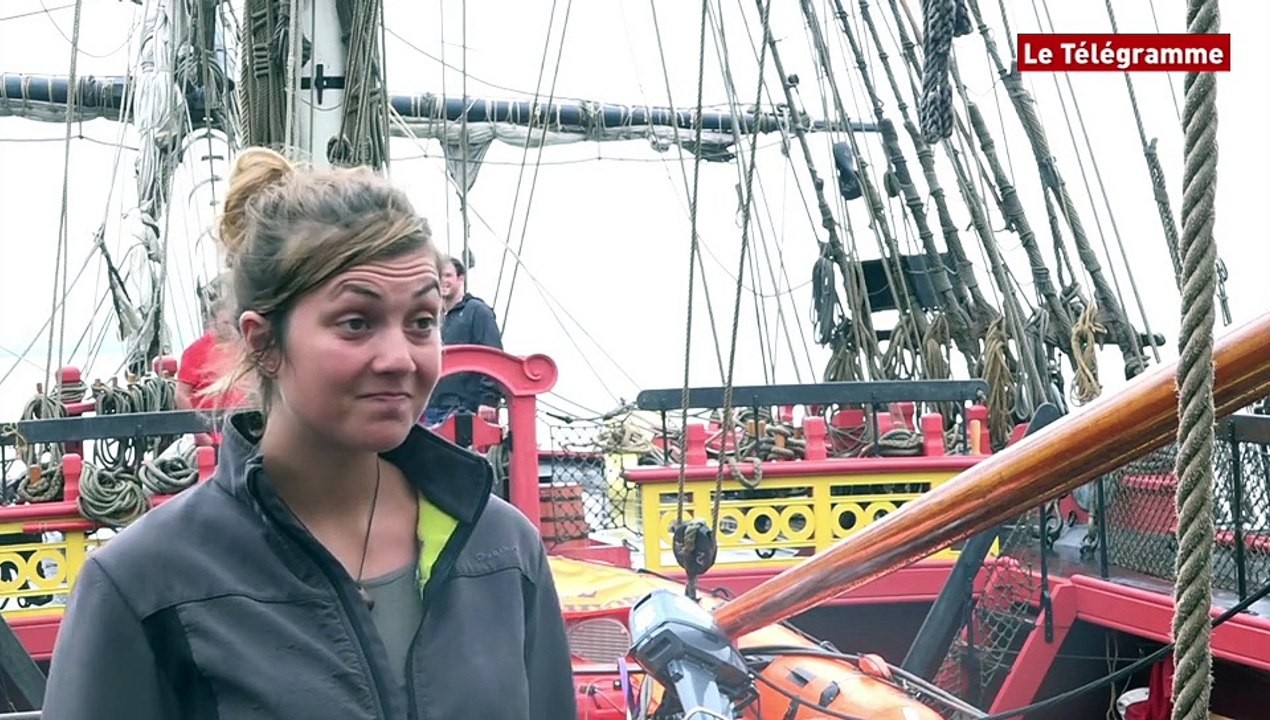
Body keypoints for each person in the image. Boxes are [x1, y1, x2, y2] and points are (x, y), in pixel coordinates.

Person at [43, 148, 578, 720]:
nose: (400, 357)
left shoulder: (499, 550)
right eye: (356, 323)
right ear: (262, 342)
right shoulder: (145, 583)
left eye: (422, 322)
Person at [423, 256, 504, 425]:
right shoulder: (434, 318)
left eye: (447, 276)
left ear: (461, 278)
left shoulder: (477, 311)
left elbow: (493, 354)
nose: (442, 281)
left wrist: (488, 400)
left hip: (464, 408)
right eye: (437, 276)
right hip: (432, 407)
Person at [175, 274, 244, 413]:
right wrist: (200, 431)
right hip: (210, 429)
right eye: (226, 323)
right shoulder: (195, 351)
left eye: (233, 322)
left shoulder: (245, 346)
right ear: (213, 321)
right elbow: (181, 395)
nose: (231, 327)